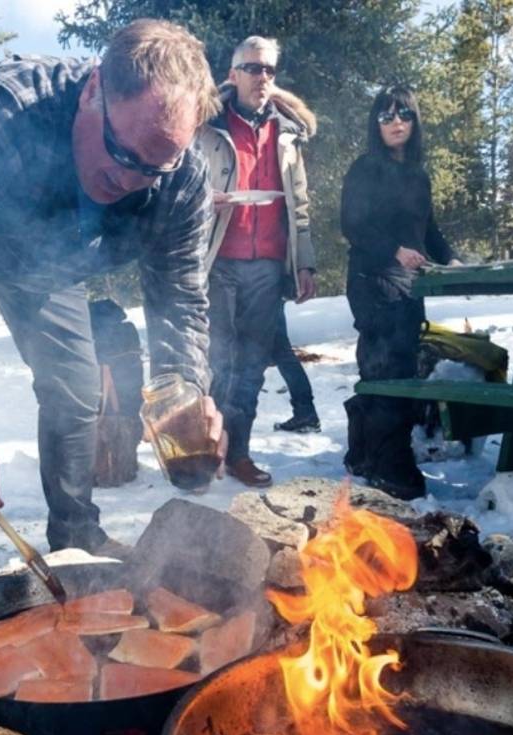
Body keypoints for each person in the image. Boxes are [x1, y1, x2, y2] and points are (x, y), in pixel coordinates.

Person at [0, 19, 224, 598]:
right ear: (93, 91)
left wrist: (183, 393)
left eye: (152, 169)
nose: (131, 182)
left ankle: (75, 531)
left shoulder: (181, 175)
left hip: (46, 246)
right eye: (121, 153)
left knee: (76, 384)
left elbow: (181, 296)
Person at [195, 35, 317, 488]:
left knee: (250, 367)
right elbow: (181, 186)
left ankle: (239, 452)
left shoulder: (287, 133)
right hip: (219, 260)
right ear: (233, 75)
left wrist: (304, 263)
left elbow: (299, 205)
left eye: (267, 69)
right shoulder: (207, 125)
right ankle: (208, 452)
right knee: (218, 363)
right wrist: (207, 201)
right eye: (252, 68)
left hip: (267, 264)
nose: (261, 77)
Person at [339, 87, 460, 500]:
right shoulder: (365, 169)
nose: (396, 122)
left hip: (410, 284)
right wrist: (394, 249)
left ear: (415, 121)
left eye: (404, 115)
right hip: (372, 279)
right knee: (387, 369)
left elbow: (429, 231)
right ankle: (390, 467)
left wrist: (452, 260)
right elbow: (353, 225)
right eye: (386, 116)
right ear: (376, 123)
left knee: (397, 366)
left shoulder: (417, 175)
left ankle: (363, 453)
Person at [270, 305, 318, 433]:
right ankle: (305, 412)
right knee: (282, 353)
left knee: (281, 353)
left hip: (262, 294)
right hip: (268, 294)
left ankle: (305, 413)